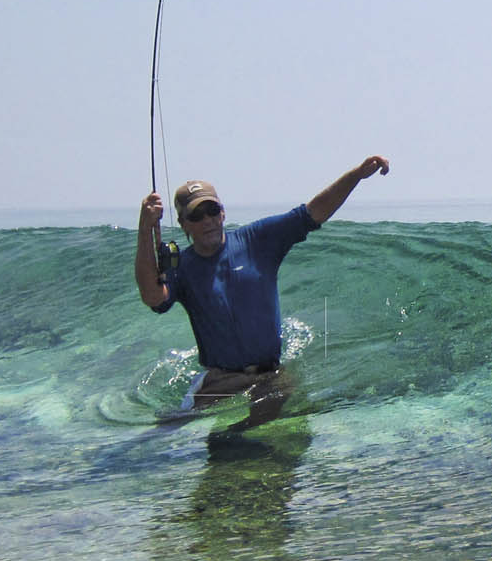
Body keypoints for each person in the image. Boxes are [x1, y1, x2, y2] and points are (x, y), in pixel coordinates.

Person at [134, 155, 390, 427]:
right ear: (184, 224)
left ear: (223, 213)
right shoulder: (181, 267)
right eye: (196, 215)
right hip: (220, 380)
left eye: (212, 210)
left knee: (282, 441)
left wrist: (356, 176)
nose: (207, 220)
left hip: (271, 375)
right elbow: (153, 297)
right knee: (173, 431)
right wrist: (144, 228)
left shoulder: (257, 240)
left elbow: (312, 213)